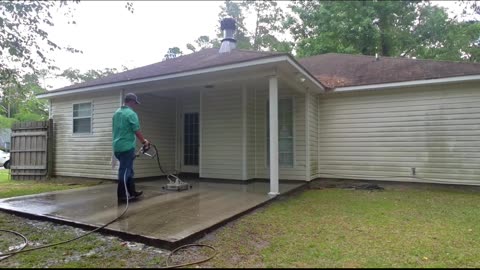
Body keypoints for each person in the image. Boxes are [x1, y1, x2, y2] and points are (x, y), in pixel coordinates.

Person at [112, 92, 150, 202]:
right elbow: (136, 130)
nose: (135, 105)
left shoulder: (117, 113)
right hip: (126, 147)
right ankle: (122, 195)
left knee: (129, 169)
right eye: (135, 103)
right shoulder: (131, 114)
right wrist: (144, 141)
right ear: (132, 101)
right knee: (125, 171)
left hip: (117, 147)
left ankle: (132, 192)